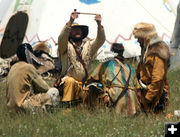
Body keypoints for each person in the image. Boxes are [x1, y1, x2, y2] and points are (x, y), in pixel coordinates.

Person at [57, 10, 105, 107]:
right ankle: (67, 109)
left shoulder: (88, 45)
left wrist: (99, 24)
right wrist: (70, 21)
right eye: (74, 29)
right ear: (69, 33)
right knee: (70, 82)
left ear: (83, 32)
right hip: (69, 82)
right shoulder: (65, 45)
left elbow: (100, 40)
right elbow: (61, 38)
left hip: (84, 83)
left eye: (79, 29)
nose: (77, 31)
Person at [90, 43, 141, 116]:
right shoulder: (131, 68)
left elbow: (92, 78)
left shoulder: (106, 64)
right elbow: (138, 92)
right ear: (123, 53)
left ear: (111, 52)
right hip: (132, 102)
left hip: (115, 97)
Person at [6, 43, 59, 113]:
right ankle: (51, 113)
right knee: (53, 91)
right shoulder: (29, 67)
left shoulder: (13, 67)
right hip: (23, 107)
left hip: (11, 109)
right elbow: (44, 87)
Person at [132, 22, 170, 113]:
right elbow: (140, 70)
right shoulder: (146, 49)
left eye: (139, 38)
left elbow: (158, 78)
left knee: (157, 119)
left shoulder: (158, 51)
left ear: (146, 37)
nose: (137, 41)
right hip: (146, 91)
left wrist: (148, 97)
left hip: (156, 94)